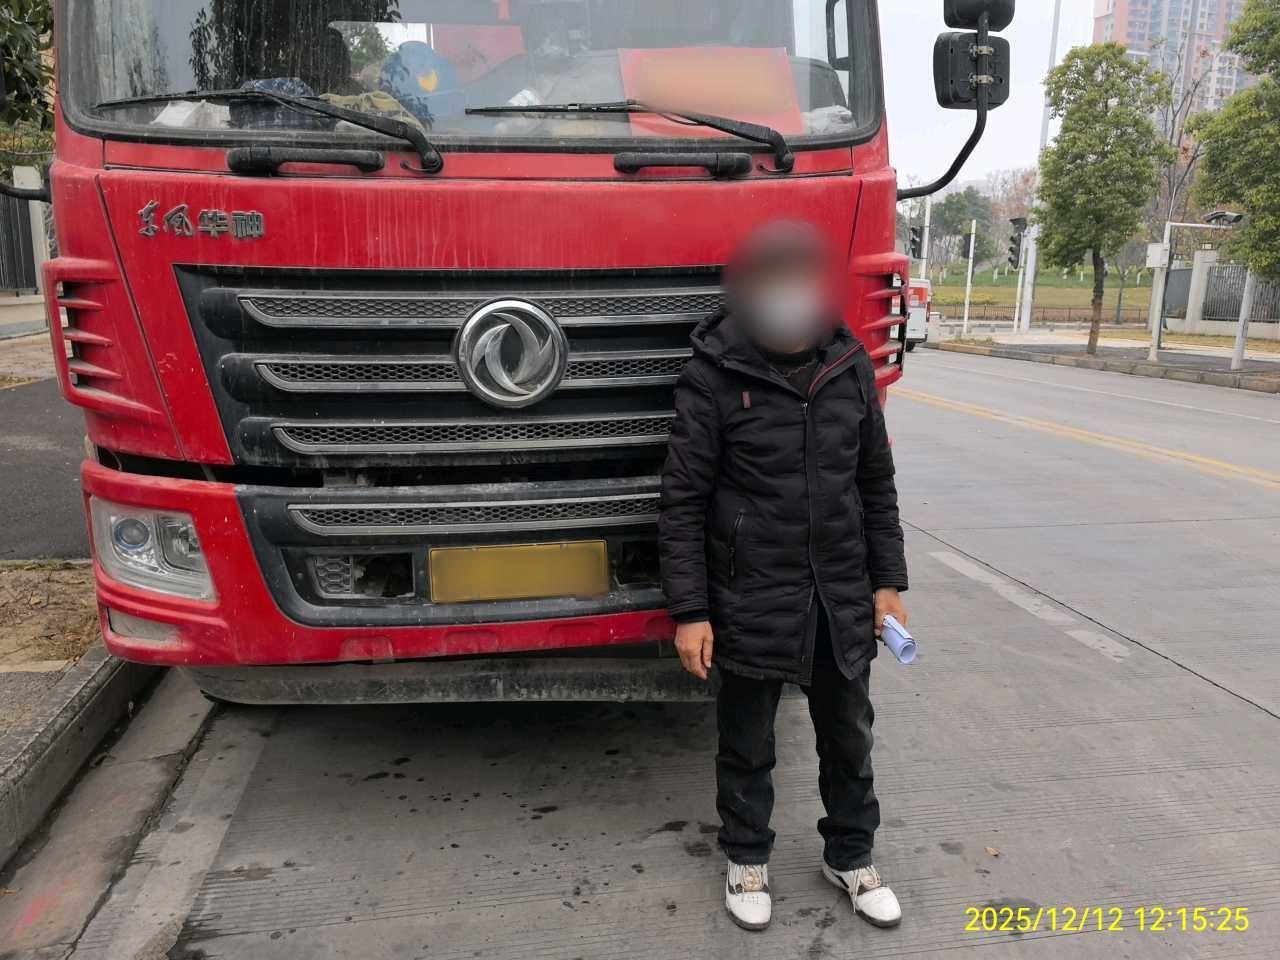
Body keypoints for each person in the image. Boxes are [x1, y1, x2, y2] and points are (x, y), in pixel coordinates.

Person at [658, 222, 909, 932]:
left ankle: (851, 855)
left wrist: (887, 583)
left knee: (849, 736)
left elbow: (875, 484)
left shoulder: (848, 366)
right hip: (750, 594)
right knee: (747, 742)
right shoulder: (713, 375)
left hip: (839, 593)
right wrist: (691, 611)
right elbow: (683, 501)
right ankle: (746, 858)